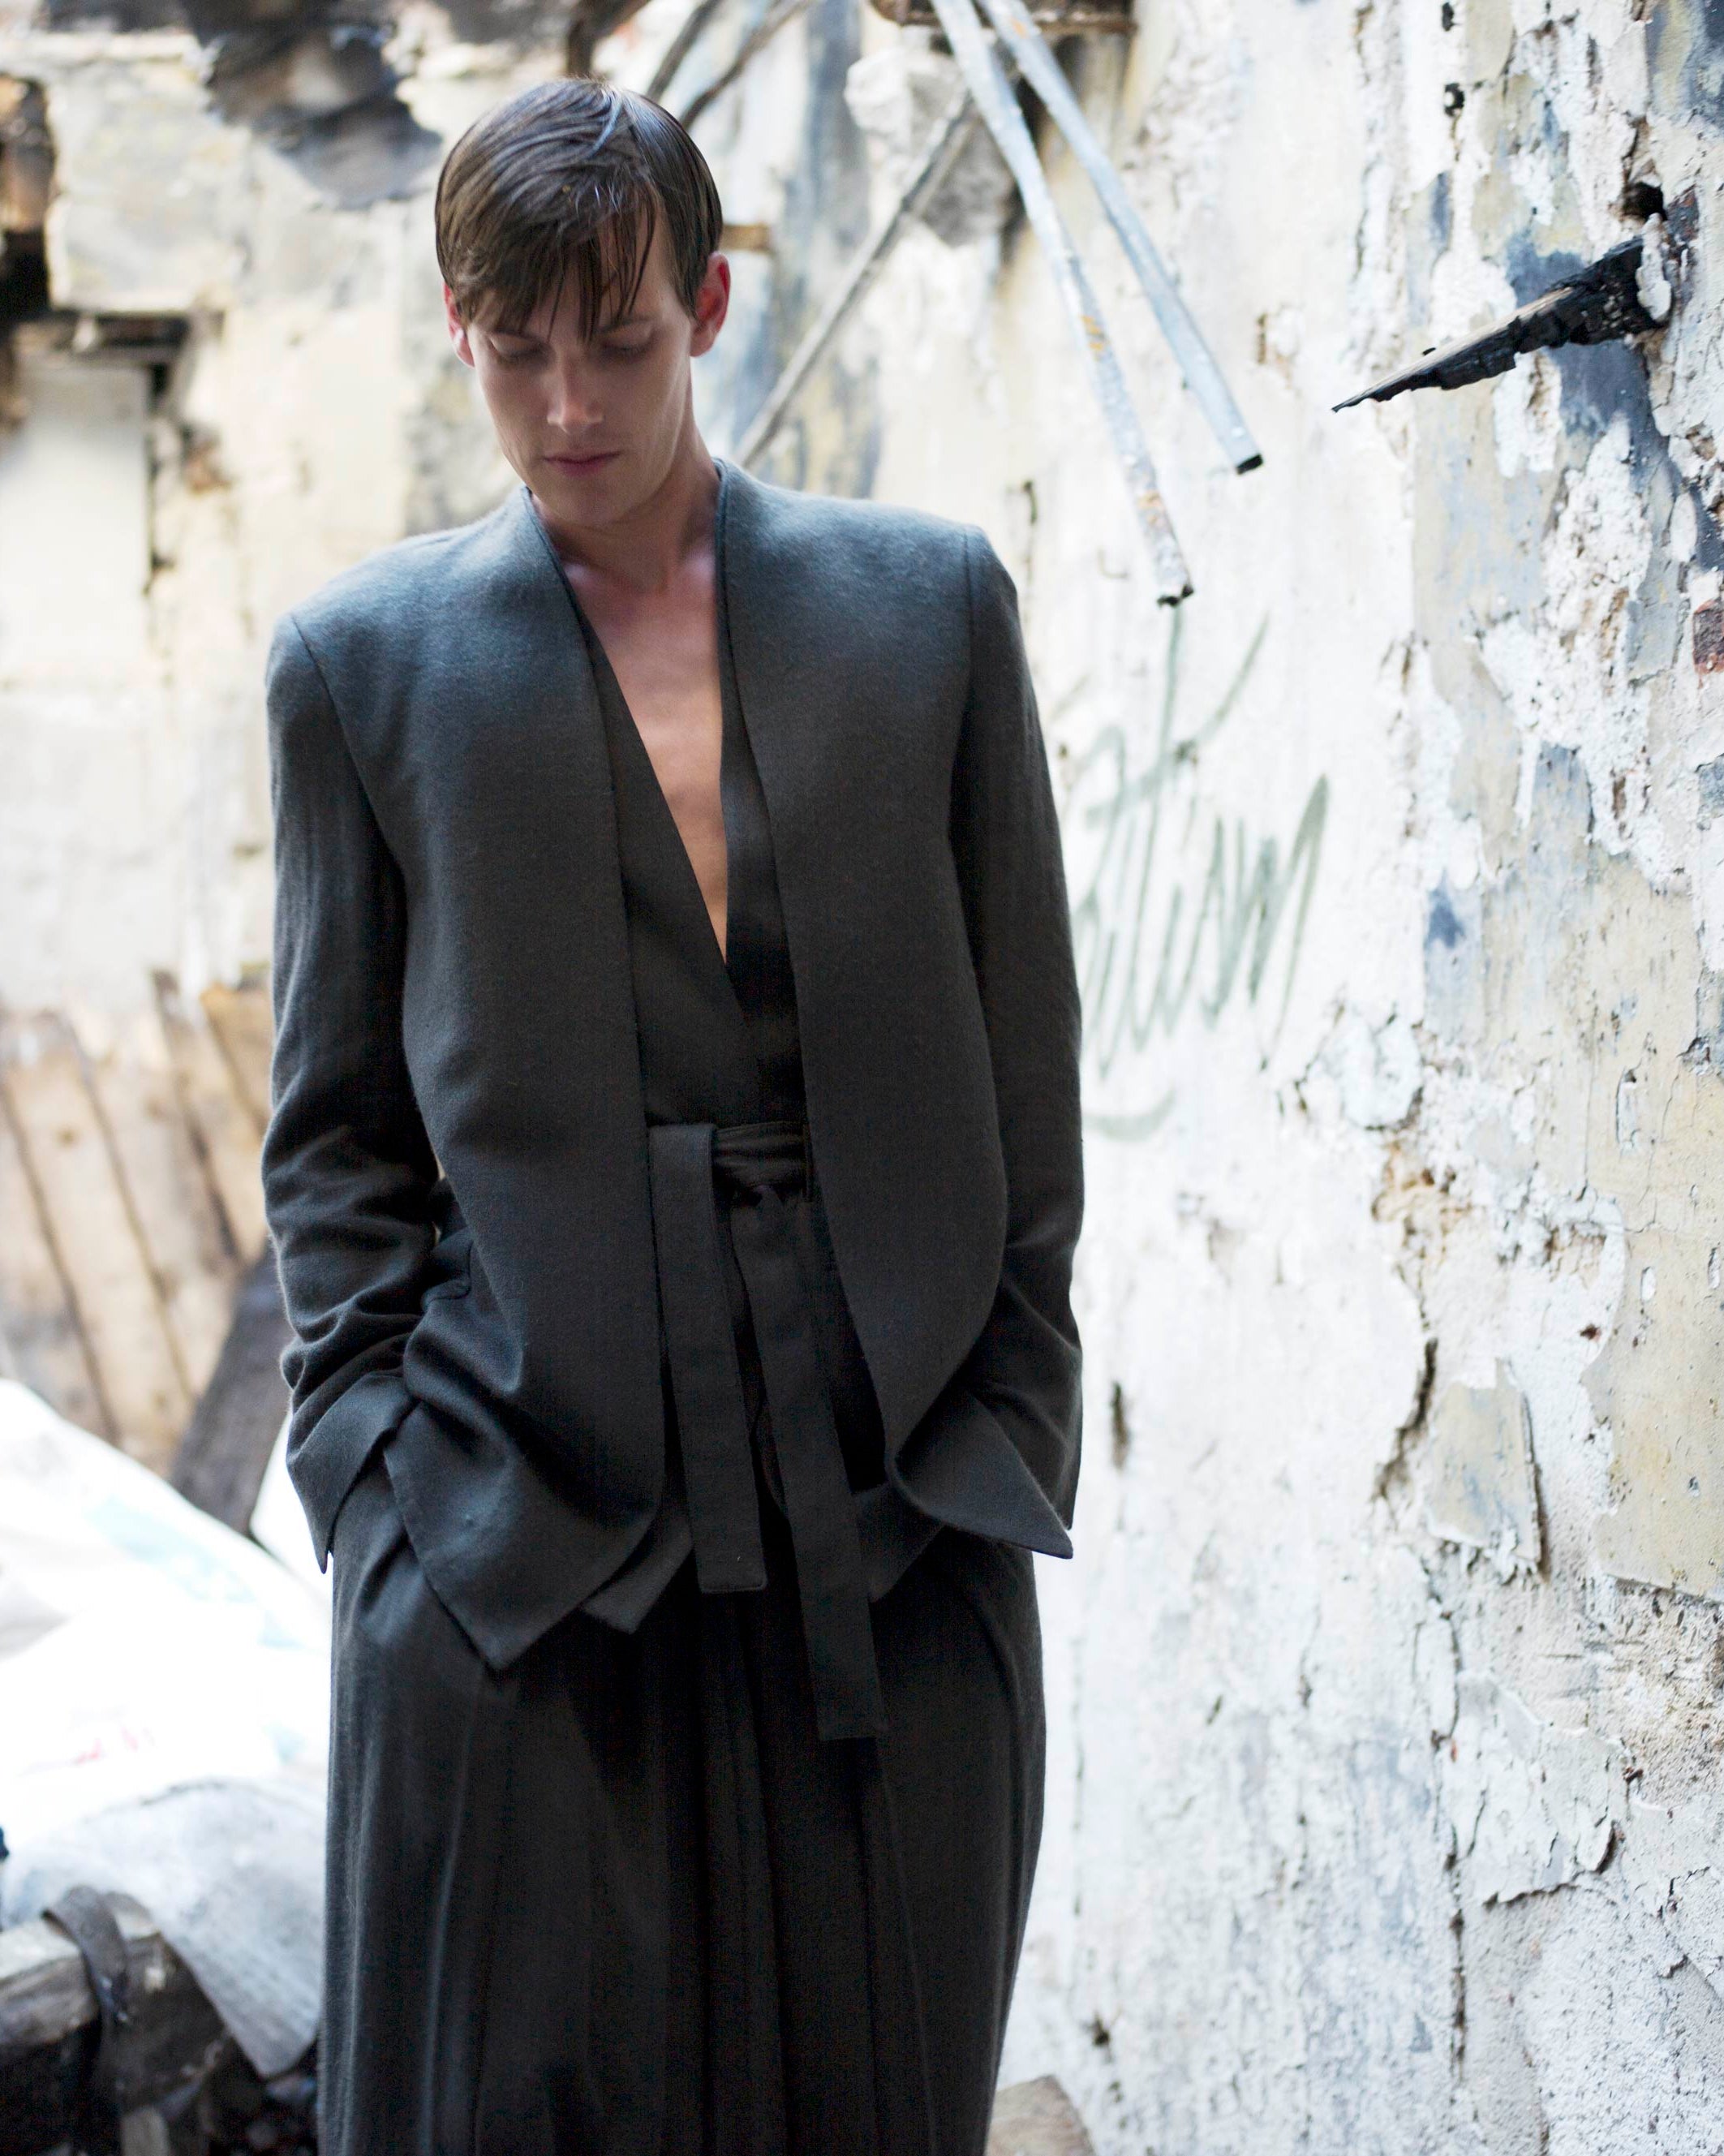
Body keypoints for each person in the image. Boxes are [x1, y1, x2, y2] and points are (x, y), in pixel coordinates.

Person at [262, 75, 1082, 2156]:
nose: (564, 400)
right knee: (509, 2100)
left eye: (615, 333)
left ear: (707, 305)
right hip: (508, 1518)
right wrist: (375, 1503)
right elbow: (334, 1138)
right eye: (513, 342)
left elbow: (1027, 1074)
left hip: (890, 1512)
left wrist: (1006, 1421)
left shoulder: (927, 612)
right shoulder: (362, 666)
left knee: (874, 2095)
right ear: (461, 326)